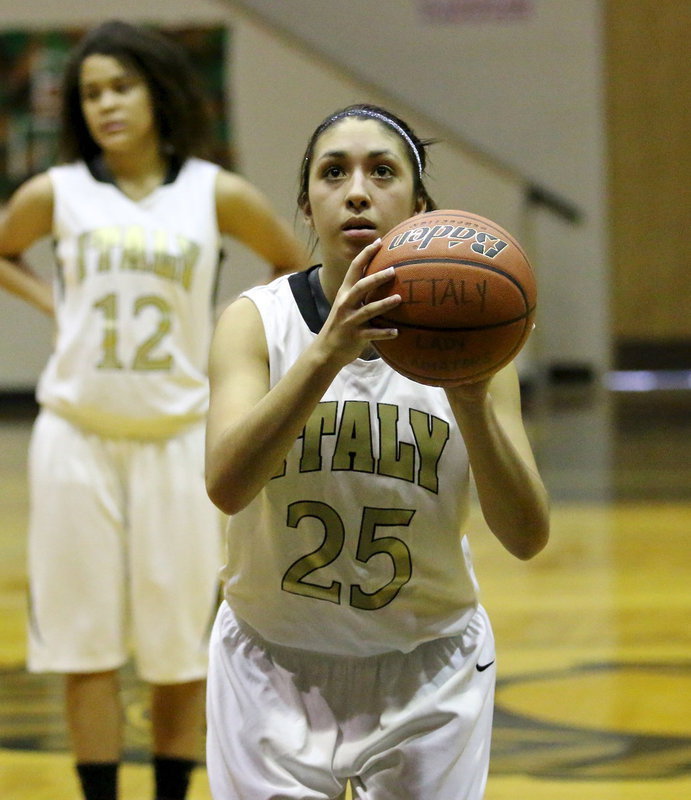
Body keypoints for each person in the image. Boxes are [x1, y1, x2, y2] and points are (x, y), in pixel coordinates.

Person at [204, 102, 550, 799]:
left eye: (380, 171)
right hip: (271, 661)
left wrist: (472, 398)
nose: (356, 189)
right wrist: (325, 356)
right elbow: (226, 485)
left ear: (420, 204)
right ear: (306, 204)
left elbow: (524, 536)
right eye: (334, 172)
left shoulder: (477, 341)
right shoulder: (256, 323)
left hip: (426, 668)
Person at [0, 20, 306, 800]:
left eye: (121, 86)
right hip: (77, 436)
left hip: (179, 438)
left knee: (179, 649)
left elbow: (289, 263)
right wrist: (56, 304)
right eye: (91, 92)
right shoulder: (56, 191)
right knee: (83, 643)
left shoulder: (215, 190)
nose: (105, 104)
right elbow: (5, 249)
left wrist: (237, 337)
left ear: (159, 92)